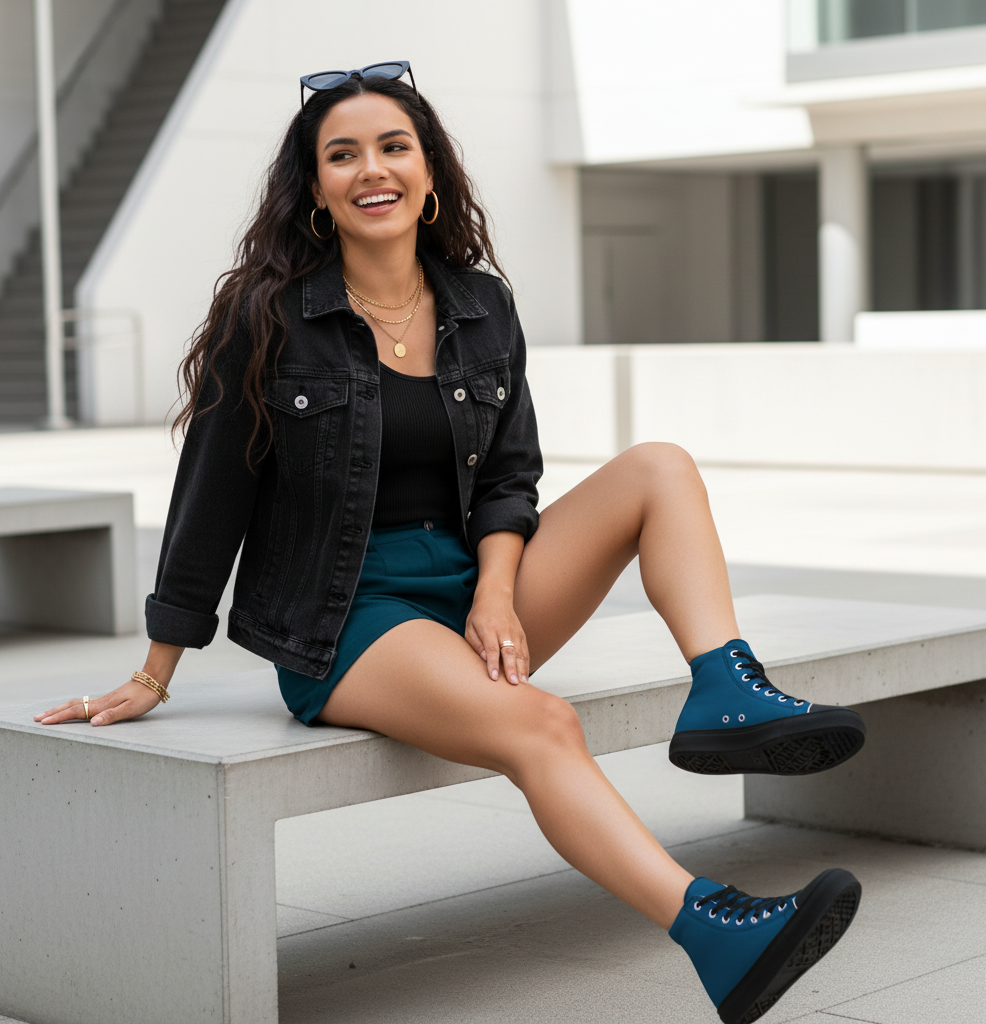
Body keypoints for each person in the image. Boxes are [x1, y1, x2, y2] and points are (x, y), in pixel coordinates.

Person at [36, 64, 867, 1024]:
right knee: (544, 725)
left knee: (660, 466)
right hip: (347, 619)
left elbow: (511, 477)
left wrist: (497, 592)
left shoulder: (481, 304)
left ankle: (727, 688)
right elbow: (209, 497)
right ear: (315, 189)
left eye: (394, 147)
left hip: (477, 589)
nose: (371, 170)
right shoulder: (267, 317)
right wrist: (157, 668)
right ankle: (715, 931)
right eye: (342, 155)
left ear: (429, 172)